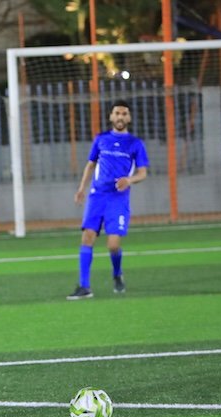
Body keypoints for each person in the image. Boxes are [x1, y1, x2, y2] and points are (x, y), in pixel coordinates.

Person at [67, 100, 149, 300]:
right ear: (111, 116)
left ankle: (117, 273)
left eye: (124, 113)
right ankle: (84, 286)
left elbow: (143, 173)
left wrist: (129, 180)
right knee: (87, 237)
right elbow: (90, 165)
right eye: (117, 113)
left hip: (118, 199)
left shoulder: (135, 143)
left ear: (129, 118)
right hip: (97, 196)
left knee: (112, 245)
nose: (120, 117)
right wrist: (81, 188)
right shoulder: (101, 139)